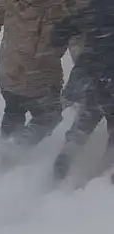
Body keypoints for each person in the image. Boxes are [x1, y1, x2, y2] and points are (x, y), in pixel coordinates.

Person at [0, 0, 77, 150]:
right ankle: (19, 146)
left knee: (13, 110)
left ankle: (5, 147)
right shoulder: (54, 9)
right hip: (37, 78)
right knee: (50, 116)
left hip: (10, 72)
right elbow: (50, 47)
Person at [51, 0, 114, 180]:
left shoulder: (97, 7)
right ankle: (103, 177)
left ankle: (62, 165)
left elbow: (59, 33)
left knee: (82, 126)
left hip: (95, 77)